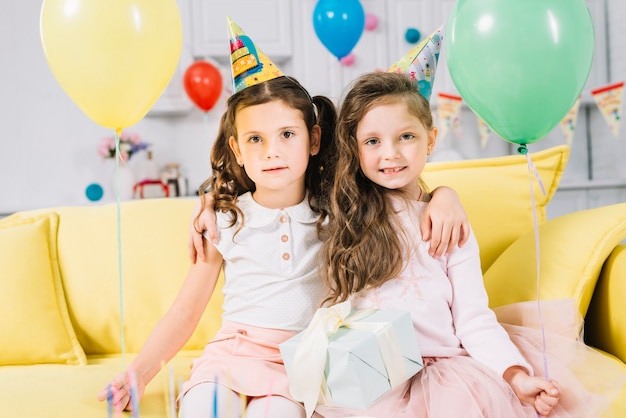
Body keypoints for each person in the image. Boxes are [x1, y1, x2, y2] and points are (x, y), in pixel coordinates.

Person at [314, 71, 623, 418]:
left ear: (430, 140)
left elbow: (473, 319)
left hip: (447, 376)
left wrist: (516, 376)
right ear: (353, 147)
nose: (391, 153)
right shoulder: (343, 217)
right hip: (374, 377)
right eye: (372, 141)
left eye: (406, 136)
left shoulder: (446, 222)